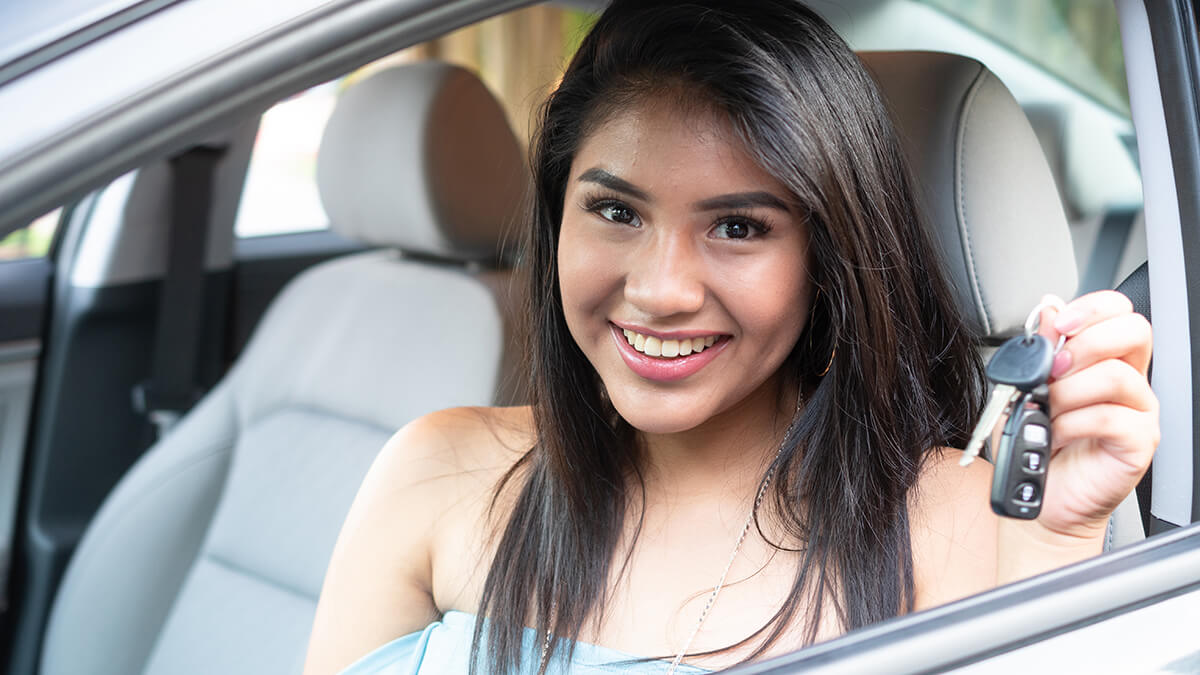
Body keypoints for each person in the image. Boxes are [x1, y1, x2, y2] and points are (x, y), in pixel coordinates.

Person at [303, 1, 1159, 673]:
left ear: (827, 257)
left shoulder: (968, 519)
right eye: (614, 210)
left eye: (739, 228)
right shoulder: (437, 473)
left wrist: (1054, 550)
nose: (662, 289)